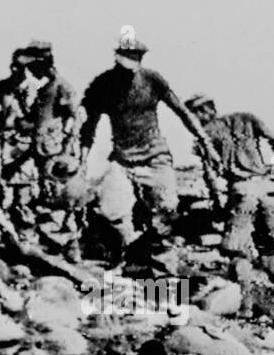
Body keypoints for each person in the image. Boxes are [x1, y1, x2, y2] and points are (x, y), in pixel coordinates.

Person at [80, 35, 219, 270]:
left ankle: (159, 261)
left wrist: (205, 143)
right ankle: (131, 253)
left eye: (135, 60)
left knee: (167, 209)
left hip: (155, 156)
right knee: (110, 209)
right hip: (123, 160)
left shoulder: (152, 80)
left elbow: (183, 112)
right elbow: (89, 127)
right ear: (116, 58)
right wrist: (82, 161)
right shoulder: (102, 85)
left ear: (141, 59)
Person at [184, 93, 274, 354]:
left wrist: (219, 205)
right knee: (272, 250)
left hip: (242, 194)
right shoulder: (247, 118)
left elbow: (211, 173)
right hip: (267, 191)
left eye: (195, 114)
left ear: (203, 112)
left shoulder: (204, 134)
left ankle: (246, 307)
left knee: (238, 251)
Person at [0, 41, 84, 257]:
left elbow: (76, 117)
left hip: (56, 152)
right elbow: (36, 121)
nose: (29, 71)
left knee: (58, 198)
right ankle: (52, 246)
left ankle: (69, 246)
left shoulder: (62, 86)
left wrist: (68, 145)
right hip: (40, 151)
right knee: (42, 197)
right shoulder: (42, 89)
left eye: (33, 66)